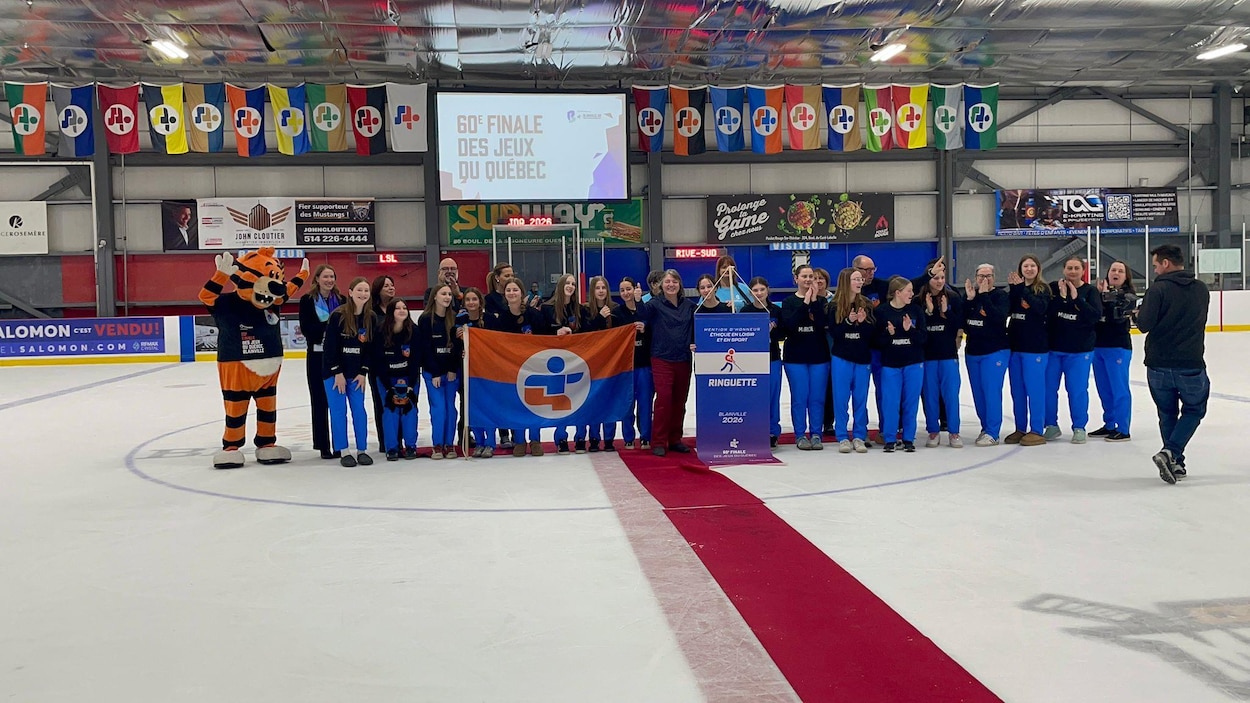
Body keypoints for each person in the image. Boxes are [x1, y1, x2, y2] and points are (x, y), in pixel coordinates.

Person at [1136, 244, 1209, 484]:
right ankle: (1173, 457)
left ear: (1165, 263)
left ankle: (1173, 456)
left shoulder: (1158, 289)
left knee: (1167, 413)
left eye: (1156, 265)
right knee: (1194, 410)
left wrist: (1137, 315)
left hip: (1158, 363)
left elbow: (1144, 325)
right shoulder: (1201, 289)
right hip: (1190, 362)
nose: (1155, 270)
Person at [1043, 256, 1102, 444]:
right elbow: (1047, 313)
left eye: (1077, 268)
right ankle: (1051, 425)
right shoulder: (1054, 288)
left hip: (1079, 351)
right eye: (1069, 268)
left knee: (1077, 390)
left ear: (1083, 271)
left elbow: (1094, 316)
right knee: (1048, 389)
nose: (1073, 271)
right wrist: (1061, 298)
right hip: (1053, 350)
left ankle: (1079, 427)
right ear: (1064, 269)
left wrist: (1077, 300)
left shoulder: (1090, 291)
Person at [486, 277, 547, 457]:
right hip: (512, 369)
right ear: (504, 294)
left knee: (535, 404)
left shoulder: (534, 315)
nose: (512, 293)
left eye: (515, 290)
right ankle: (519, 440)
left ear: (522, 293)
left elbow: (545, 339)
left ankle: (535, 440)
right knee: (516, 404)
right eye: (508, 290)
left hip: (534, 367)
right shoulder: (502, 319)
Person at [641, 269, 696, 457]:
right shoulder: (654, 304)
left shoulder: (689, 306)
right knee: (663, 399)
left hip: (683, 359)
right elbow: (641, 314)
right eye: (667, 282)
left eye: (674, 281)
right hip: (661, 358)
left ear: (680, 284)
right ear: (661, 285)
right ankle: (658, 441)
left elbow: (703, 321)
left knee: (680, 401)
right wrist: (637, 299)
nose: (671, 285)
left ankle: (675, 439)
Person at [322, 277, 375, 467]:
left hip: (356, 374)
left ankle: (362, 450)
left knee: (359, 410)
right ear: (351, 292)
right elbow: (329, 348)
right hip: (334, 374)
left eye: (366, 290)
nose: (363, 294)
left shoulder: (370, 317)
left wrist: (363, 372)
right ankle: (343, 450)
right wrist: (337, 372)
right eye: (359, 290)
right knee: (338, 412)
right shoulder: (338, 316)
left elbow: (370, 349)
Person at [298, 264, 345, 460]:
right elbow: (307, 329)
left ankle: (339, 443)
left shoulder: (342, 300)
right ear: (317, 279)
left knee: (337, 402)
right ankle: (323, 445)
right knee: (319, 401)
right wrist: (329, 327)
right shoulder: (307, 300)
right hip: (317, 356)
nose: (329, 280)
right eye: (325, 277)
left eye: (332, 276)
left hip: (338, 357)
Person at [875, 276, 927, 453]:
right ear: (897, 293)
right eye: (909, 291)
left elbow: (923, 338)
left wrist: (909, 330)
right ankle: (890, 438)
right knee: (890, 402)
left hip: (913, 363)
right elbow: (875, 341)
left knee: (910, 402)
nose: (912, 294)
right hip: (890, 365)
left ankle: (908, 438)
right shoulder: (882, 312)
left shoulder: (916, 310)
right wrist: (888, 334)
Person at [781, 264, 829, 450]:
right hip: (795, 358)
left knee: (817, 398)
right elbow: (790, 326)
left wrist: (814, 301)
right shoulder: (788, 302)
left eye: (811, 277)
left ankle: (816, 433)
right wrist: (806, 302)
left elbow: (823, 324)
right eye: (805, 276)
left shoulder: (822, 302)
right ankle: (800, 434)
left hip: (819, 357)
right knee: (800, 398)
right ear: (796, 279)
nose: (809, 280)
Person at [962, 264, 1010, 447]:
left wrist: (983, 296)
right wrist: (969, 300)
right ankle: (985, 427)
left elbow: (998, 318)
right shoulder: (971, 295)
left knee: (991, 391)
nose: (985, 279)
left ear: (994, 277)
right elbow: (964, 323)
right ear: (976, 277)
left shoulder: (1000, 296)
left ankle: (993, 432)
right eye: (981, 276)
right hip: (973, 351)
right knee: (979, 393)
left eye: (988, 276)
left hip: (995, 351)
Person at [1005, 254, 1051, 447]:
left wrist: (1022, 289)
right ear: (1020, 269)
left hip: (1035, 349)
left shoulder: (1043, 289)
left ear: (1038, 268)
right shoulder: (1015, 289)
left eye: (1032, 265)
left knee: (1035, 390)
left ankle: (1037, 429)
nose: (1029, 269)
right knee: (1018, 391)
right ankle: (1020, 428)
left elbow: (1040, 308)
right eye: (1026, 266)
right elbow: (1007, 310)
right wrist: (1015, 290)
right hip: (1015, 347)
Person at [1091, 261, 1138, 442]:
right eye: (1113, 270)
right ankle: (1109, 424)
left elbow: (1116, 318)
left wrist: (1105, 296)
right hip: (1098, 347)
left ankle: (1123, 429)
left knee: (1119, 388)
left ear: (1126, 276)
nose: (1116, 273)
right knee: (1104, 389)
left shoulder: (1128, 296)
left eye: (1120, 271)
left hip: (1118, 347)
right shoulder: (1098, 293)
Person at [828, 267, 874, 454]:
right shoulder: (834, 306)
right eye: (856, 279)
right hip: (842, 358)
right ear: (846, 282)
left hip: (862, 358)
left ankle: (859, 435)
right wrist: (848, 322)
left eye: (860, 279)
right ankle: (842, 436)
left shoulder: (866, 304)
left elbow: (871, 334)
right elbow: (835, 334)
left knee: (860, 399)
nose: (859, 282)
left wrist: (863, 323)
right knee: (841, 399)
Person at [544, 273, 590, 454]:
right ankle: (561, 438)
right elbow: (540, 333)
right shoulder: (547, 308)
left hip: (577, 362)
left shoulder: (580, 309)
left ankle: (580, 437)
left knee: (580, 400)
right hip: (556, 363)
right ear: (561, 285)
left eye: (573, 284)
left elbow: (588, 333)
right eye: (568, 283)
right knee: (560, 402)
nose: (571, 286)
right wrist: (555, 334)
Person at [919, 266, 963, 448]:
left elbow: (958, 326)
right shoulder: (919, 299)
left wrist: (946, 312)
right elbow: (918, 328)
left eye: (942, 277)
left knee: (951, 395)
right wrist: (929, 312)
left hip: (948, 355)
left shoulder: (953, 298)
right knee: (930, 395)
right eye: (935, 278)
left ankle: (954, 432)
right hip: (927, 357)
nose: (939, 281)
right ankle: (933, 431)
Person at [419, 284, 461, 460]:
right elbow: (425, 349)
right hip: (432, 373)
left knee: (450, 409)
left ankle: (449, 444)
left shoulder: (454, 317)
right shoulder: (425, 319)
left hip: (451, 373)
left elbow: (458, 346)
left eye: (449, 294)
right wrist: (435, 372)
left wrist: (452, 369)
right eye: (443, 293)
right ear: (435, 297)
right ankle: (437, 444)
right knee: (438, 409)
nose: (447, 297)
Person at [375, 298, 420, 461]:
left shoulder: (414, 331)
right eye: (398, 308)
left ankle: (410, 446)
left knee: (409, 410)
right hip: (387, 379)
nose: (402, 310)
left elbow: (416, 360)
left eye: (404, 308)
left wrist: (410, 385)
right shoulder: (380, 332)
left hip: (409, 379)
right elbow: (378, 361)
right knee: (390, 411)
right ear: (390, 312)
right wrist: (388, 387)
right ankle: (392, 448)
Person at [854, 254, 890, 442]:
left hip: (880, 349)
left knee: (884, 391)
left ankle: (886, 429)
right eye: (867, 270)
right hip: (859, 349)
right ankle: (861, 431)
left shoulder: (883, 286)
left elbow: (909, 286)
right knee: (859, 393)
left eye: (872, 269)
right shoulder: (849, 290)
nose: (871, 273)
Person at [615, 277, 653, 451]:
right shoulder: (617, 313)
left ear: (635, 289)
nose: (626, 293)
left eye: (628, 289)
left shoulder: (645, 310)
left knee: (645, 402)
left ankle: (645, 436)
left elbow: (655, 330)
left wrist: (645, 329)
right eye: (622, 290)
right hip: (626, 367)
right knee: (627, 403)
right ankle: (628, 437)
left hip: (644, 364)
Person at [747, 276, 785, 448]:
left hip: (772, 358)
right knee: (754, 397)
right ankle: (754, 429)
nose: (759, 293)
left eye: (762, 289)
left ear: (767, 290)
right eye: (755, 290)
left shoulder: (776, 311)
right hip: (752, 361)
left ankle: (772, 431)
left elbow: (783, 334)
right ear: (751, 292)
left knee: (772, 396)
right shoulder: (746, 311)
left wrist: (772, 332)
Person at [457, 288, 494, 458]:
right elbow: (455, 347)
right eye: (468, 299)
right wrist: (460, 344)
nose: (471, 302)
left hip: (487, 371)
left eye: (474, 299)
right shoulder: (460, 320)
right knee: (473, 408)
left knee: (488, 407)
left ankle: (490, 443)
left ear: (480, 301)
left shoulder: (490, 319)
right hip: (469, 372)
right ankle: (479, 441)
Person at [584, 275, 618, 451]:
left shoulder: (615, 309)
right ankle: (594, 438)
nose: (601, 291)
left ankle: (609, 438)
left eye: (603, 287)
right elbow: (585, 333)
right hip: (592, 363)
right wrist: (599, 317)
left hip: (611, 363)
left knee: (609, 400)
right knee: (593, 401)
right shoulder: (584, 310)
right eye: (597, 288)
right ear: (592, 291)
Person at [368, 275, 397, 452]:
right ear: (378, 289)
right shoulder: (371, 312)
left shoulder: (398, 308)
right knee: (381, 403)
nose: (391, 288)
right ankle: (385, 441)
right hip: (378, 365)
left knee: (399, 401)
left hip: (398, 364)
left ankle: (398, 439)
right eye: (386, 286)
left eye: (392, 285)